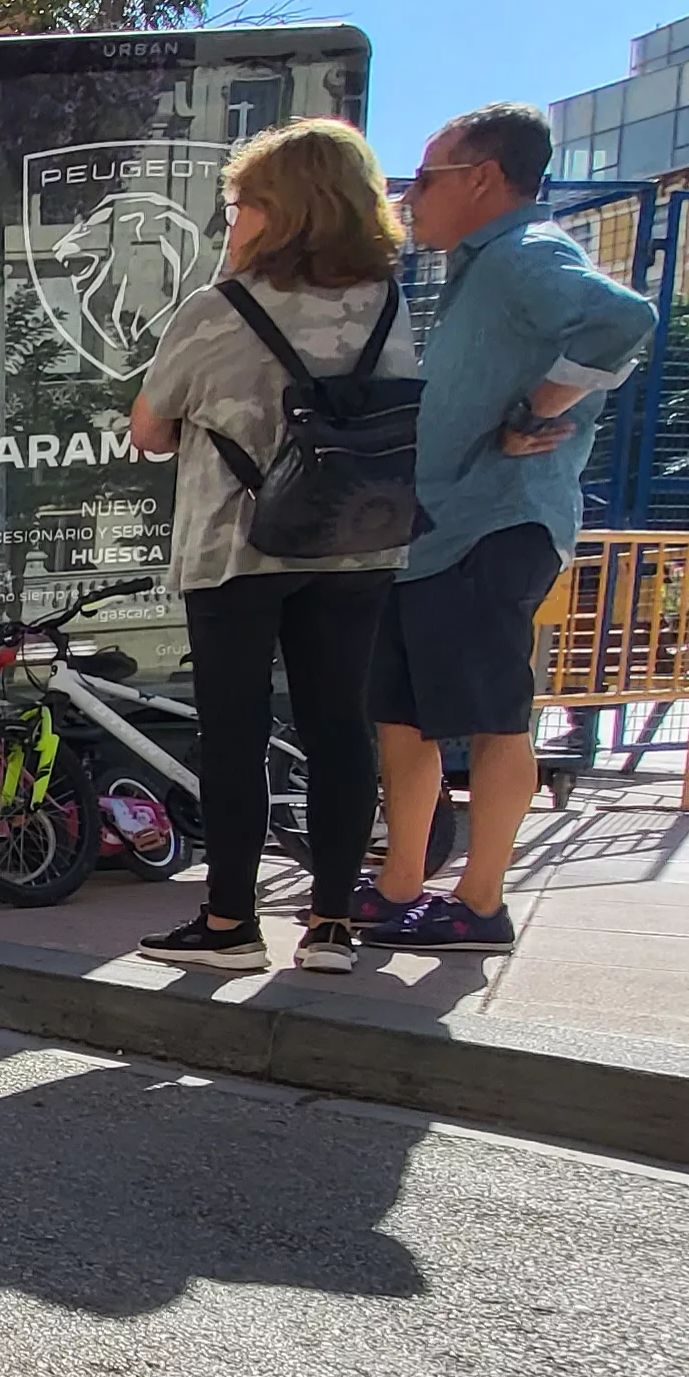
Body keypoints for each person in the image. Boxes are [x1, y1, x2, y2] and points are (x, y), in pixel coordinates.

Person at [127, 116, 419, 976]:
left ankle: (230, 922)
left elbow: (150, 427)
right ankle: (330, 923)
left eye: (240, 202)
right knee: (338, 727)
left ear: (279, 211)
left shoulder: (218, 311)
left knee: (235, 731)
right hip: (357, 542)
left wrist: (229, 277)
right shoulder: (390, 306)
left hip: (237, 546)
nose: (230, 217)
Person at [366, 102, 659, 956]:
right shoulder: (477, 268)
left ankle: (482, 903)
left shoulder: (526, 253)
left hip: (497, 522)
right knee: (404, 717)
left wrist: (542, 404)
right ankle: (400, 886)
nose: (411, 197)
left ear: (483, 179)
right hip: (438, 529)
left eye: (426, 179)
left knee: (497, 718)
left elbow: (622, 319)